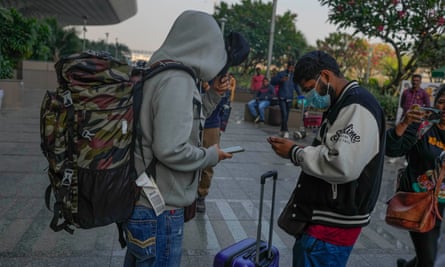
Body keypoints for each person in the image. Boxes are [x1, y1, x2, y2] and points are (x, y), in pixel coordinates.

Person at [123, 10, 236, 267]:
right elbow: (170, 148)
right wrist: (211, 155)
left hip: (147, 201)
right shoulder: (178, 80)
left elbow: (186, 123)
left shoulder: (162, 70)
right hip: (160, 209)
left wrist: (213, 96)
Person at [267, 50, 386, 267]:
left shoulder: (356, 106)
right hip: (325, 222)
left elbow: (342, 165)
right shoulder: (342, 103)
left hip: (331, 227)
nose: (309, 96)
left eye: (310, 88)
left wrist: (296, 152)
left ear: (326, 76)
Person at [386, 84, 445, 267]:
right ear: (435, 104)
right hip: (421, 205)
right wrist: (404, 123)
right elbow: (392, 149)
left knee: (430, 256)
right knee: (429, 260)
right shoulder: (423, 127)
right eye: (442, 102)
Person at [196, 80, 230, 213]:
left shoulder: (218, 77)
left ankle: (201, 195)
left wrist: (211, 90)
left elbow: (224, 102)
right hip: (190, 123)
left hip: (211, 125)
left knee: (209, 163)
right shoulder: (193, 74)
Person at [270, 60, 302, 138]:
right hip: (282, 97)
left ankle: (282, 130)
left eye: (293, 67)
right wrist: (281, 80)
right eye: (290, 67)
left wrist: (300, 96)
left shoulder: (295, 76)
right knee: (284, 114)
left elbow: (296, 87)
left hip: (290, 98)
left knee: (286, 116)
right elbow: (272, 81)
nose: (291, 69)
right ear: (287, 67)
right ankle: (286, 131)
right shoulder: (281, 74)